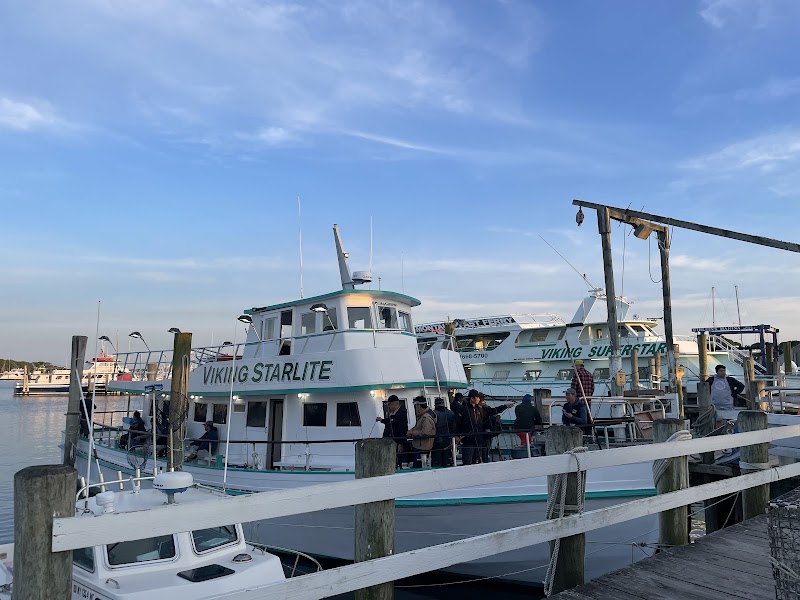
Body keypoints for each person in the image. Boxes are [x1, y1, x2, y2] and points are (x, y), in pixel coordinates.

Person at [455, 389, 492, 465]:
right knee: (468, 462)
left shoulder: (479, 409)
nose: (479, 399)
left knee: (477, 462)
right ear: (472, 398)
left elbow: (492, 411)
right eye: (477, 397)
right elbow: (456, 423)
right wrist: (457, 435)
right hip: (468, 441)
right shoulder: (463, 409)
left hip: (478, 440)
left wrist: (504, 406)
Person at [376, 394, 410, 466]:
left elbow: (403, 428)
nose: (388, 407)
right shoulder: (394, 413)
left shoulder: (401, 413)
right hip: (392, 441)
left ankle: (398, 466)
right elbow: (389, 421)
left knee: (397, 458)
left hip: (397, 441)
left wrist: (401, 443)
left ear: (395, 404)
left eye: (389, 404)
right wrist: (382, 420)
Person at [407, 397, 437, 468]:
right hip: (420, 446)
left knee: (419, 467)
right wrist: (411, 430)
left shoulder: (426, 417)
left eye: (416, 406)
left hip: (422, 448)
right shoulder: (423, 416)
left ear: (418, 406)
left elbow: (425, 432)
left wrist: (412, 433)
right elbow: (418, 427)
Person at [432, 397, 458, 467]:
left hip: (437, 439)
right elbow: (454, 427)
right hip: (448, 439)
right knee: (447, 459)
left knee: (437, 460)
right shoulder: (451, 413)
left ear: (435, 404)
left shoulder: (434, 413)